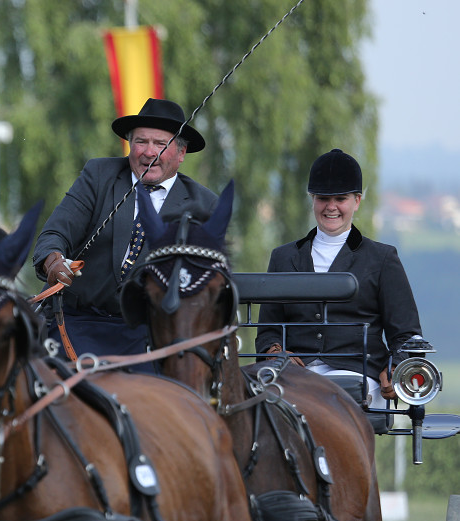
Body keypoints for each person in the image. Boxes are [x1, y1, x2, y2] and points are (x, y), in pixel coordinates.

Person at [32, 98, 217, 363]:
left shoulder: (205, 204)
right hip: (75, 326)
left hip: (152, 339)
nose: (149, 152)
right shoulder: (98, 175)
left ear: (181, 153)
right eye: (141, 142)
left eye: (160, 144)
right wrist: (54, 262)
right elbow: (55, 235)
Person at [254, 148, 422, 409]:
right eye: (323, 198)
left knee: (323, 399)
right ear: (313, 199)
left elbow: (406, 334)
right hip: (293, 372)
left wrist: (396, 366)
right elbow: (268, 328)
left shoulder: (383, 259)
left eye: (340, 199)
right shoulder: (283, 257)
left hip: (357, 373)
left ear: (357, 201)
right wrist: (275, 352)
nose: (331, 207)